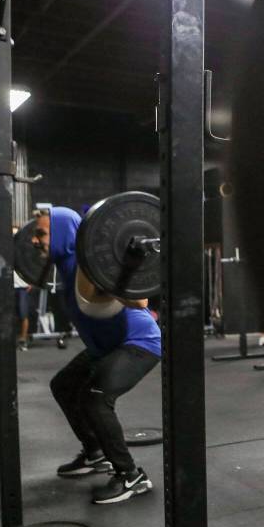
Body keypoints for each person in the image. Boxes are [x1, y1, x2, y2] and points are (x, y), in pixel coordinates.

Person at [32, 206, 162, 504]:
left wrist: (118, 276)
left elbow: (140, 301)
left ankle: (131, 476)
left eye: (41, 233)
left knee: (96, 399)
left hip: (138, 342)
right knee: (63, 385)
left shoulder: (92, 264)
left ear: (63, 235)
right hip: (104, 346)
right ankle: (94, 452)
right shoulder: (66, 265)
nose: (34, 240)